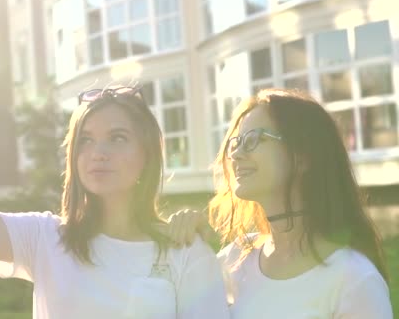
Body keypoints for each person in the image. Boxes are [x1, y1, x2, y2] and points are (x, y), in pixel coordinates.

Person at [0, 74, 230, 318]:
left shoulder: (187, 255)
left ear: (148, 154)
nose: (98, 152)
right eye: (86, 140)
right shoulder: (46, 239)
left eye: (117, 138)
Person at [168, 89, 392, 318]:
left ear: (303, 156)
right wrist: (191, 247)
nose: (235, 155)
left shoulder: (354, 280)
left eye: (254, 139)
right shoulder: (234, 259)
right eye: (236, 143)